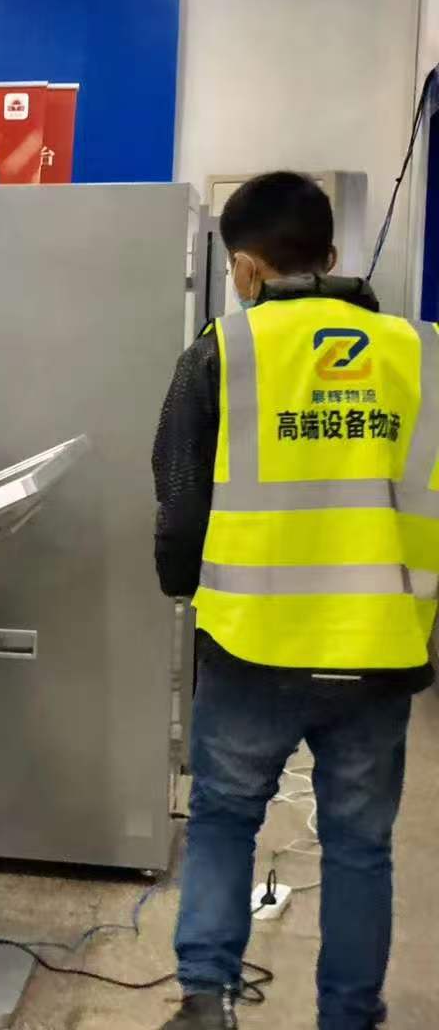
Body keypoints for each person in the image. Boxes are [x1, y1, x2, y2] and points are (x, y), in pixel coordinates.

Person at [152, 172, 436, 1030]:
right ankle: (349, 1017)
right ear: (332, 254)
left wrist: (182, 585)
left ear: (244, 268)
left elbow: (180, 500)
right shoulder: (421, 352)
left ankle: (207, 1002)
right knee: (359, 848)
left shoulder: (221, 351)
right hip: (381, 648)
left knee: (224, 821)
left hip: (253, 645)